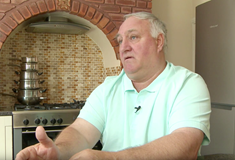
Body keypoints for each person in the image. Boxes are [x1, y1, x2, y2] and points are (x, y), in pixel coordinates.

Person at [16, 12, 211, 160]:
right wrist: (58, 151)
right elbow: (81, 131)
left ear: (158, 41)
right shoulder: (108, 88)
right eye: (120, 40)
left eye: (133, 37)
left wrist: (113, 158)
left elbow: (186, 144)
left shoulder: (187, 84)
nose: (123, 47)